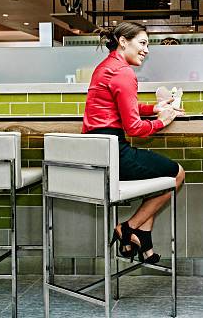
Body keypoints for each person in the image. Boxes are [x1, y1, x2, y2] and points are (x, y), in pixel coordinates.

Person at [82, 22, 185, 264]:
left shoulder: (106, 66)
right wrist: (162, 120)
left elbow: (123, 106)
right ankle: (128, 228)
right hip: (114, 153)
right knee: (176, 174)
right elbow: (134, 128)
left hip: (99, 152)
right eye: (143, 43)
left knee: (157, 180)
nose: (146, 50)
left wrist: (154, 108)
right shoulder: (123, 72)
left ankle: (144, 241)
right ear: (123, 41)